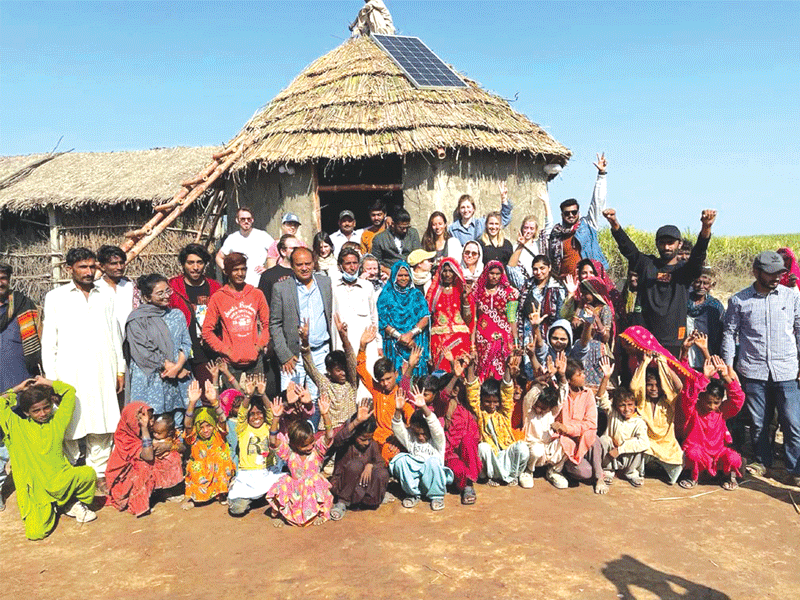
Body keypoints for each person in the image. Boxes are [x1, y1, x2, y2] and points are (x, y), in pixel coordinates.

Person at [41, 247, 124, 491]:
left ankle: (98, 475)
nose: (89, 272)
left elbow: (115, 333)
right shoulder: (56, 297)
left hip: (102, 367)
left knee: (102, 421)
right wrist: (52, 380)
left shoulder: (106, 294)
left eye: (91, 267)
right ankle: (71, 475)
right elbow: (49, 341)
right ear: (70, 269)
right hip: (70, 370)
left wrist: (120, 368)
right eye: (82, 267)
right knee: (70, 424)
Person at [722, 250, 800, 485]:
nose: (776, 277)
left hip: (787, 370)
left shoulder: (791, 297)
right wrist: (728, 365)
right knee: (758, 422)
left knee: (792, 422)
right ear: (756, 272)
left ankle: (794, 468)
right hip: (752, 370)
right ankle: (762, 461)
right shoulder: (739, 300)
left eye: (780, 273)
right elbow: (729, 333)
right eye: (771, 273)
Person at [603, 207, 716, 356]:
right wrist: (614, 224)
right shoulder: (647, 264)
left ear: (679, 244)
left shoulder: (685, 271)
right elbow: (628, 249)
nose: (666, 247)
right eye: (662, 243)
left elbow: (698, 254)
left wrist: (706, 228)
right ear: (656, 244)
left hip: (674, 339)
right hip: (644, 338)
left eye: (671, 243)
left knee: (670, 378)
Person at [0, 377, 97, 539]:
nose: (43, 413)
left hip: (61, 481)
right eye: (36, 410)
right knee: (36, 533)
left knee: (88, 475)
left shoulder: (57, 422)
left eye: (46, 408)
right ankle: (55, 506)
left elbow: (70, 392)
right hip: (36, 491)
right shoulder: (16, 427)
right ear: (26, 412)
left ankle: (68, 502)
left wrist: (46, 382)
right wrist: (17, 389)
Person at [270, 247, 333, 425]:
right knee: (293, 400)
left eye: (308, 264)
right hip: (293, 357)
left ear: (314, 263)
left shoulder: (325, 283)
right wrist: (284, 355)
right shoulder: (281, 288)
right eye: (299, 265)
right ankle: (293, 439)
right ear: (292, 266)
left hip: (320, 352)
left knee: (317, 398)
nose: (304, 268)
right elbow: (274, 324)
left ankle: (314, 436)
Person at [622, 327, 687, 485]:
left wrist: (663, 365)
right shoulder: (642, 401)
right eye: (650, 385)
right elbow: (634, 387)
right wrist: (644, 363)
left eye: (657, 385)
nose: (653, 388)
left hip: (667, 444)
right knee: (640, 447)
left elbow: (678, 387)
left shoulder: (668, 402)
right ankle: (640, 471)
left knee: (678, 463)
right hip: (648, 443)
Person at [125, 274, 192, 425]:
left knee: (177, 423)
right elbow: (143, 351)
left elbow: (186, 344)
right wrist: (168, 366)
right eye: (160, 293)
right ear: (147, 297)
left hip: (177, 380)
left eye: (168, 291)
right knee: (152, 424)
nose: (166, 296)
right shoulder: (137, 319)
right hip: (152, 378)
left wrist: (178, 367)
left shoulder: (176, 315)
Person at [266, 393, 335, 526]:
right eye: (305, 445)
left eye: (311, 442)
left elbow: (329, 435)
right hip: (295, 492)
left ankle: (321, 514)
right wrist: (276, 418)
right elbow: (273, 441)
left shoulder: (317, 451)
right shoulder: (289, 453)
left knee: (317, 480)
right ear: (294, 444)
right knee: (284, 480)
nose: (310, 447)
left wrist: (325, 414)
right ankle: (282, 515)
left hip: (311, 493)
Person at [106, 402, 184, 517]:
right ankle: (137, 505)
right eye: (148, 420)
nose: (151, 422)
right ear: (135, 422)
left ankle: (159, 491)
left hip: (137, 478)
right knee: (144, 465)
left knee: (171, 454)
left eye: (152, 418)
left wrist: (169, 446)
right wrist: (145, 428)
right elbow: (148, 456)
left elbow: (182, 447)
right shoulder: (127, 438)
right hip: (123, 486)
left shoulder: (154, 430)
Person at [679, 356, 745, 490]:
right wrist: (704, 377)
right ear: (701, 398)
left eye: (716, 402)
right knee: (693, 453)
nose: (712, 406)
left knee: (734, 458)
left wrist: (726, 377)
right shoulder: (693, 410)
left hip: (717, 454)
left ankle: (726, 476)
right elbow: (688, 397)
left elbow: (738, 399)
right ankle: (692, 476)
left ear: (721, 401)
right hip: (699, 454)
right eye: (708, 402)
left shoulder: (722, 412)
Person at [202, 252, 270, 381]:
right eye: (235, 270)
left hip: (255, 361)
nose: (240, 273)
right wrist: (226, 351)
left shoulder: (256, 294)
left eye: (243, 269)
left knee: (258, 397)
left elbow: (267, 324)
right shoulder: (218, 297)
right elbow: (207, 331)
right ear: (227, 272)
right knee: (233, 399)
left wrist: (259, 346)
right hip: (230, 363)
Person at [466, 354, 530, 485]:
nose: (491, 405)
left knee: (522, 447)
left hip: (506, 453)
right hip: (492, 458)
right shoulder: (480, 413)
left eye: (495, 402)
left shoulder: (504, 413)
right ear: (482, 401)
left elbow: (506, 392)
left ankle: (513, 476)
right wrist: (471, 366)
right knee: (483, 447)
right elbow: (472, 391)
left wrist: (507, 368)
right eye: (487, 402)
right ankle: (491, 477)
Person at [543, 154, 609, 279]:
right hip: (566, 285)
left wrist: (601, 175)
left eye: (574, 212)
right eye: (567, 213)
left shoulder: (588, 226)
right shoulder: (556, 234)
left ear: (578, 213)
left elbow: (597, 202)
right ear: (562, 215)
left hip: (589, 282)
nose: (571, 215)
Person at [549, 355, 608, 494]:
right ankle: (562, 468)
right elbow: (557, 424)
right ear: (569, 380)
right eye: (579, 374)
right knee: (586, 474)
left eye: (583, 372)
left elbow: (591, 423)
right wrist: (565, 430)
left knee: (595, 439)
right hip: (566, 442)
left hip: (583, 438)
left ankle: (600, 478)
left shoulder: (588, 394)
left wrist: (569, 429)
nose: (584, 376)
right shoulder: (560, 394)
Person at [390, 385, 453, 511]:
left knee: (433, 462)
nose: (421, 437)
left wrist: (423, 407)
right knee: (401, 460)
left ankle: (437, 496)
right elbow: (398, 429)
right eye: (417, 433)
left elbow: (434, 425)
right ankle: (412, 494)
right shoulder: (411, 439)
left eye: (424, 433)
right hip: (416, 482)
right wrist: (398, 410)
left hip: (432, 480)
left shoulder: (437, 440)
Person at [357, 326, 414, 463]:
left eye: (388, 379)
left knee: (386, 460)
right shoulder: (376, 389)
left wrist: (401, 435)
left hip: (394, 441)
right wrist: (362, 346)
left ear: (396, 374)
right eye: (381, 380)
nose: (385, 383)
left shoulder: (401, 394)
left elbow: (411, 418)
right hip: (375, 438)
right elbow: (361, 370)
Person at [169, 244, 221, 389]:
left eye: (200, 262)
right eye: (190, 262)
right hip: (180, 352)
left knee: (208, 395)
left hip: (206, 352)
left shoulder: (215, 288)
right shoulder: (173, 287)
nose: (195, 267)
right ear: (183, 264)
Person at [428, 360, 481, 504]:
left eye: (458, 387)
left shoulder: (466, 409)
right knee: (458, 470)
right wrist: (455, 377)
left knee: (469, 440)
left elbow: (474, 438)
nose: (456, 390)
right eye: (453, 387)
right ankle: (462, 482)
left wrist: (458, 367)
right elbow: (444, 395)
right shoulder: (441, 408)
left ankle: (468, 485)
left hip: (466, 454)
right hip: (448, 455)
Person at [329, 401, 390, 520]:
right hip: (344, 487)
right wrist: (356, 422)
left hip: (362, 489)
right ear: (354, 434)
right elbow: (337, 439)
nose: (366, 443)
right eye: (362, 439)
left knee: (382, 473)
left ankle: (372, 501)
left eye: (369, 439)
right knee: (356, 465)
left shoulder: (371, 445)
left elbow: (380, 463)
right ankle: (342, 503)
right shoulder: (346, 443)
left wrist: (370, 466)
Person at [332, 247, 381, 391]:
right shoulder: (333, 287)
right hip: (343, 342)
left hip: (366, 343)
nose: (352, 267)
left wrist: (378, 343)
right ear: (340, 266)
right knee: (346, 383)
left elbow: (374, 316)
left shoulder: (367, 286)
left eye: (355, 263)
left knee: (367, 382)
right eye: (348, 263)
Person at [227, 388, 281, 517]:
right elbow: (241, 414)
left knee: (288, 482)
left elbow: (270, 413)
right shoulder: (243, 430)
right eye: (252, 414)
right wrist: (247, 396)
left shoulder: (269, 427)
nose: (256, 417)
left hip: (267, 472)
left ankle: (260, 496)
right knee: (237, 509)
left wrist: (263, 394)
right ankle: (254, 497)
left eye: (259, 413)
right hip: (248, 476)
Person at [182, 380, 236, 509]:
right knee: (195, 466)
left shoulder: (218, 434)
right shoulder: (194, 437)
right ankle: (193, 497)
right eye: (202, 427)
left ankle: (222, 493)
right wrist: (192, 403)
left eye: (208, 426)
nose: (205, 430)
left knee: (221, 458)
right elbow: (188, 424)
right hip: (203, 474)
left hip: (218, 473)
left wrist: (214, 402)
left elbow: (222, 419)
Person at [300, 315, 358, 429]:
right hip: (329, 430)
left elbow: (351, 361)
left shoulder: (351, 383)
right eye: (338, 370)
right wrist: (305, 342)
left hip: (349, 429)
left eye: (344, 369)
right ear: (329, 371)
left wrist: (344, 338)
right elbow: (309, 366)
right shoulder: (325, 383)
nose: (343, 373)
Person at [377, 260, 430, 378]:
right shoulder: (386, 295)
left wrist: (410, 334)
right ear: (394, 276)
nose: (403, 278)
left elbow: (425, 317)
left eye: (406, 275)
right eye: (400, 275)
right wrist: (400, 337)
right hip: (394, 344)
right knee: (396, 378)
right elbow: (382, 320)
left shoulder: (416, 294)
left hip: (414, 343)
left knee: (415, 381)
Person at [470, 260, 518, 380]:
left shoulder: (509, 293)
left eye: (498, 274)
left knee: (504, 373)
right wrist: (472, 346)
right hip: (482, 339)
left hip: (504, 340)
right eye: (491, 273)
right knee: (482, 374)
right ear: (486, 273)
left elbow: (512, 318)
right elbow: (473, 320)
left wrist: (515, 344)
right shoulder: (477, 291)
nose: (494, 276)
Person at [516, 255, 567, 362]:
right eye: (535, 269)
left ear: (549, 268)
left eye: (542, 268)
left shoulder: (558, 288)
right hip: (528, 332)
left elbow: (560, 316)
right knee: (529, 364)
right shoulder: (527, 285)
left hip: (548, 333)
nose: (538, 272)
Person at [0, 263, 42, 392]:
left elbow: (42, 340)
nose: (0, 283)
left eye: (3, 278)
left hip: (21, 382)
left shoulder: (23, 305)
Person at [426, 258, 472, 371]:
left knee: (459, 372)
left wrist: (466, 300)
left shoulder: (460, 290)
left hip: (460, 338)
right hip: (439, 339)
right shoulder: (433, 292)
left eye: (450, 271)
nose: (447, 274)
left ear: (455, 273)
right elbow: (428, 320)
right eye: (444, 270)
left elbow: (468, 319)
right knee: (441, 373)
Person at [599, 387, 650, 488]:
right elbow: (601, 398)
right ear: (617, 406)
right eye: (622, 405)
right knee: (604, 440)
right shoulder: (613, 414)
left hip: (627, 458)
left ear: (635, 405)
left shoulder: (639, 422)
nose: (627, 409)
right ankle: (608, 470)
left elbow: (644, 443)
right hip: (611, 455)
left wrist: (621, 449)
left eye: (630, 405)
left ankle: (631, 473)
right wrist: (606, 377)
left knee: (639, 446)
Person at [519, 379, 566, 489]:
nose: (539, 410)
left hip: (547, 448)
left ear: (550, 407)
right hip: (532, 448)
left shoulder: (551, 413)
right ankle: (528, 471)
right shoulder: (529, 413)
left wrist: (563, 378)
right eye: (537, 406)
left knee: (566, 443)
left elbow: (561, 400)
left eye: (543, 408)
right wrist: (538, 386)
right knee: (537, 450)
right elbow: (528, 399)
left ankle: (553, 471)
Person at [215, 206, 274, 286]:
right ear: (237, 220)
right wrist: (227, 270)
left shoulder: (262, 236)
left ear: (252, 220)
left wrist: (268, 270)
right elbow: (219, 257)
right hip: (239, 286)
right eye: (243, 219)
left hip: (259, 284)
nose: (246, 221)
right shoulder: (232, 238)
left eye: (249, 219)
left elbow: (277, 252)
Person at [95, 245, 140, 339]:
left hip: (131, 339)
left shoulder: (131, 287)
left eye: (121, 263)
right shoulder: (95, 289)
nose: (119, 267)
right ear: (102, 266)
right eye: (114, 263)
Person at [447, 183, 513, 245]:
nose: (466, 210)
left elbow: (504, 219)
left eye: (468, 207)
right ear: (459, 210)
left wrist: (504, 199)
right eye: (462, 207)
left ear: (473, 209)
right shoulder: (453, 229)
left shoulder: (481, 224)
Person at [684, 267, 724, 368]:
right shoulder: (683, 301)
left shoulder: (715, 306)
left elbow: (720, 333)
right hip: (686, 350)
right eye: (698, 282)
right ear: (693, 283)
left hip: (706, 352)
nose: (701, 286)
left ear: (711, 286)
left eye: (705, 283)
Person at [370, 207, 421, 274]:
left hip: (410, 271)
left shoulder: (413, 233)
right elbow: (376, 261)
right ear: (393, 224)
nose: (405, 230)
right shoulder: (380, 239)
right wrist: (388, 271)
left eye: (407, 227)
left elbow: (417, 254)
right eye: (402, 228)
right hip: (389, 271)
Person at [507, 205, 553, 278]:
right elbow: (511, 268)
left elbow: (549, 227)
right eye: (526, 228)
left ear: (535, 230)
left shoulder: (539, 245)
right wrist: (521, 245)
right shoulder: (515, 248)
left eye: (531, 228)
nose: (528, 231)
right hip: (524, 282)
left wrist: (546, 203)